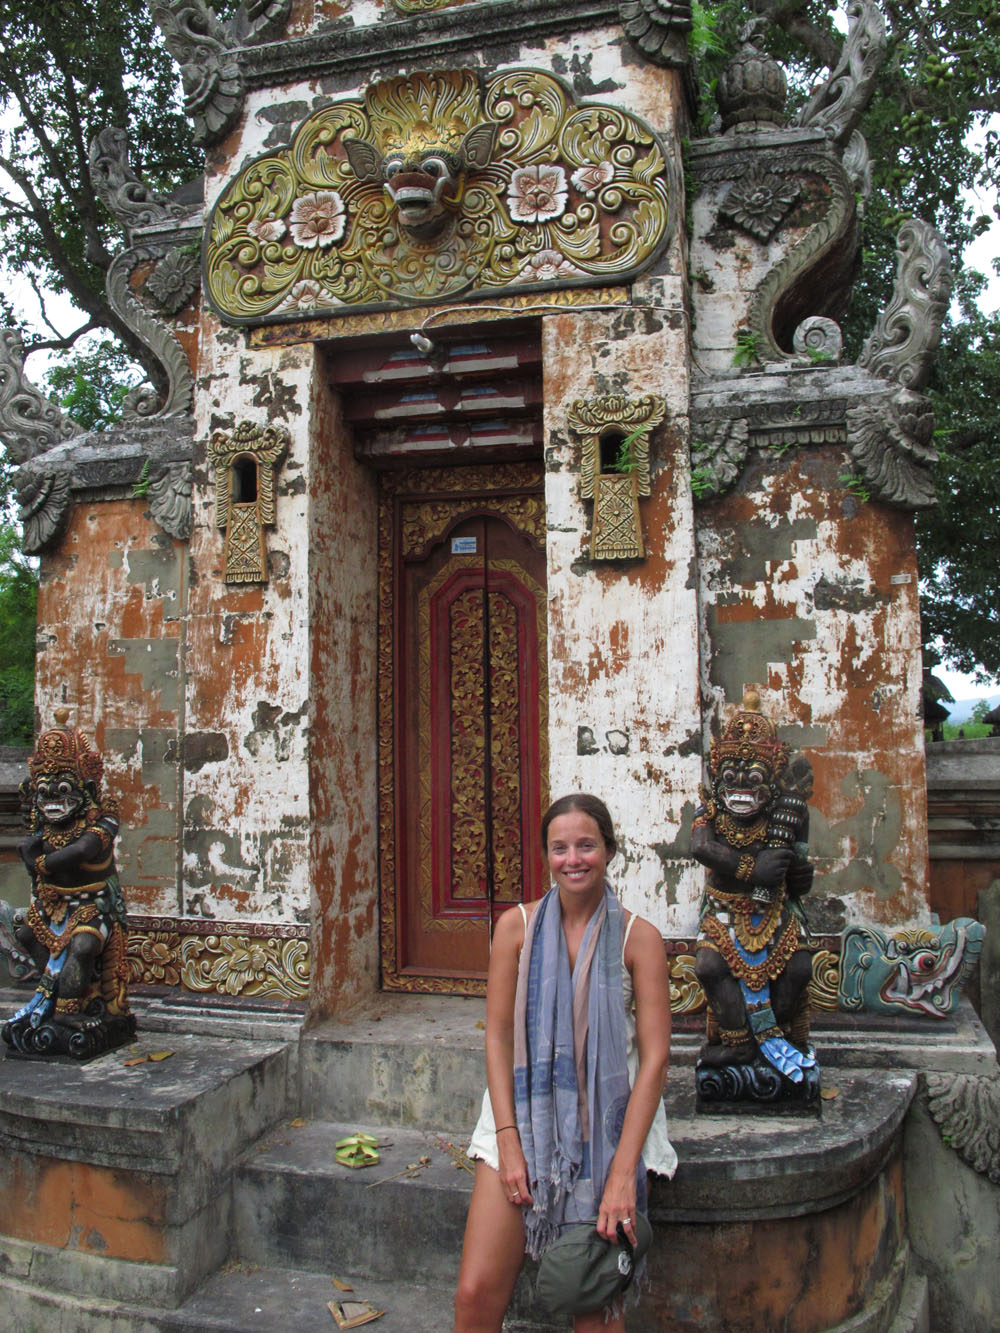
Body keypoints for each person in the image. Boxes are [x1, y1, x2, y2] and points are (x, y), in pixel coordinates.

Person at [454, 793, 676, 1333]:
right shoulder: (517, 928)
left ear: (609, 851)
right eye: (560, 848)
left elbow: (655, 1059)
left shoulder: (637, 939)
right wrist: (508, 1138)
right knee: (475, 1294)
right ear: (546, 856)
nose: (573, 859)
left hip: (608, 1130)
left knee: (594, 1307)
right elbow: (499, 1038)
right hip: (522, 1116)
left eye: (586, 846)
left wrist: (622, 1174)